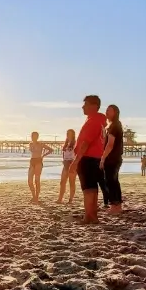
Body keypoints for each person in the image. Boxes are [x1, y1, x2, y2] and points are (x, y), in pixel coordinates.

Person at [68, 95, 105, 224]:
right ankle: (92, 215)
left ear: (94, 106)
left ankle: (89, 216)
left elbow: (86, 143)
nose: (83, 107)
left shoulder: (93, 121)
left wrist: (76, 161)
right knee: (93, 188)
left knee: (88, 188)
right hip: (96, 158)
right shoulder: (100, 120)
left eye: (86, 104)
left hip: (88, 158)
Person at [101, 104, 124, 214]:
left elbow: (110, 145)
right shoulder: (115, 125)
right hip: (115, 158)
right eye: (106, 110)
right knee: (113, 181)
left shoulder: (114, 126)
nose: (106, 112)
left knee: (110, 181)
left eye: (109, 110)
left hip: (112, 158)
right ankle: (117, 205)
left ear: (115, 112)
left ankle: (115, 206)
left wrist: (102, 158)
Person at [28, 131, 54, 202]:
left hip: (38, 161)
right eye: (32, 136)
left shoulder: (41, 144)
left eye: (34, 136)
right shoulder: (30, 144)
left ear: (37, 137)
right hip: (32, 161)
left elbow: (51, 150)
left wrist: (43, 155)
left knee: (37, 180)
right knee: (29, 181)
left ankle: (36, 197)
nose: (33, 137)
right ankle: (33, 196)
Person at [57, 129, 77, 204]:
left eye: (70, 133)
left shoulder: (75, 143)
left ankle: (71, 199)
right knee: (62, 182)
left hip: (72, 162)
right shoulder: (65, 143)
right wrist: (63, 160)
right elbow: (64, 153)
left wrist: (75, 163)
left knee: (71, 182)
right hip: (65, 163)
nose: (68, 135)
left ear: (73, 134)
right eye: (67, 133)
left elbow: (78, 153)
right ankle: (60, 198)